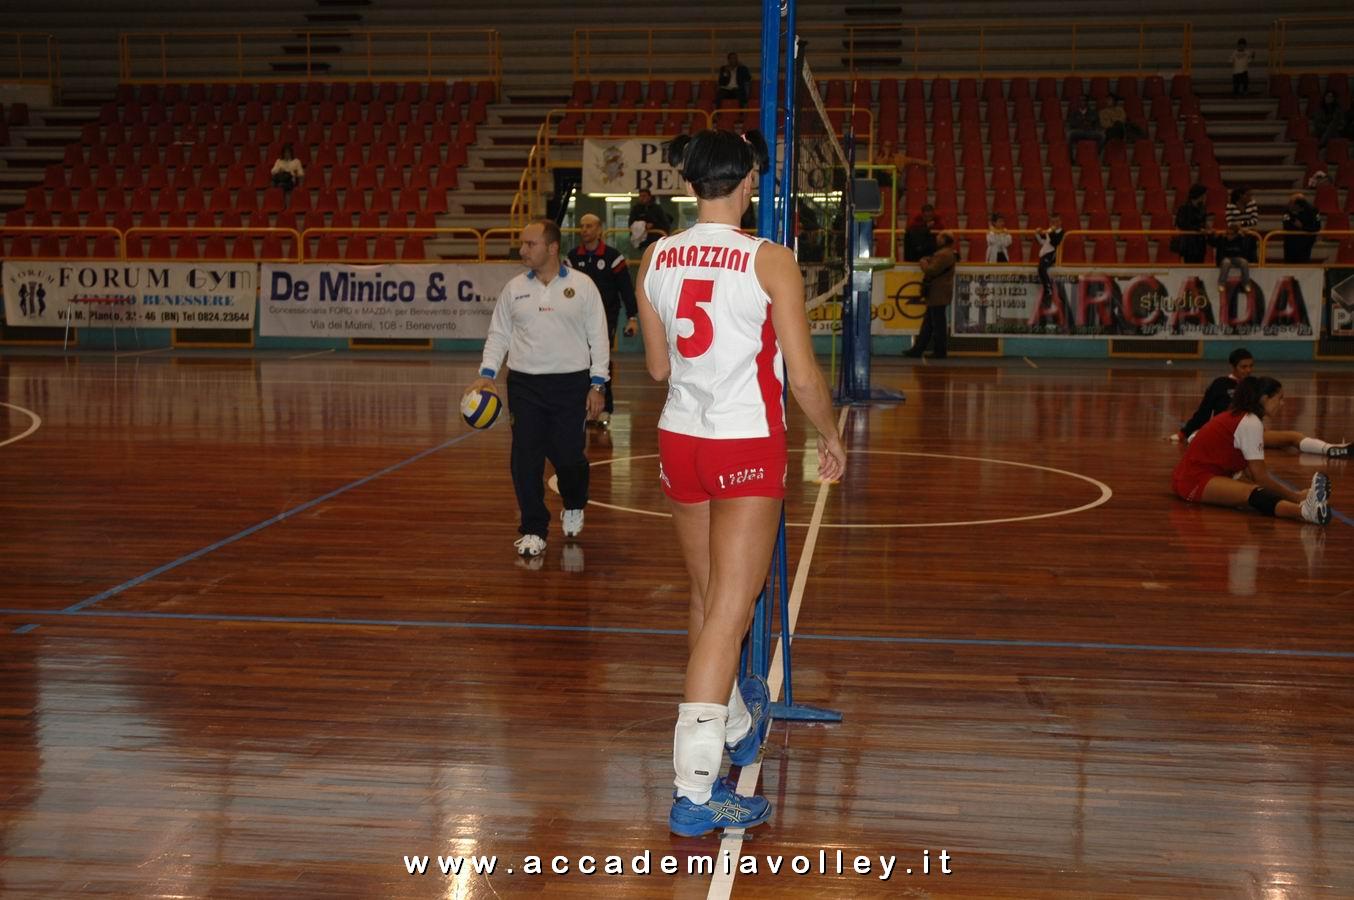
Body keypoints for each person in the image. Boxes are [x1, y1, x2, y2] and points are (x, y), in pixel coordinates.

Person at [634, 129, 846, 836]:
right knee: (732, 607)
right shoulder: (770, 259)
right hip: (744, 442)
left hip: (679, 440)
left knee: (707, 597)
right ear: (748, 180)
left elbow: (658, 370)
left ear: (693, 183)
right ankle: (696, 793)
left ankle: (729, 721)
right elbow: (805, 376)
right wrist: (833, 434)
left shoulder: (655, 256)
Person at [466, 219, 610, 559]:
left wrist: (598, 383)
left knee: (569, 457)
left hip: (570, 384)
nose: (523, 250)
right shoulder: (515, 288)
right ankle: (533, 528)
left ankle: (574, 503)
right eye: (522, 244)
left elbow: (598, 337)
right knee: (525, 458)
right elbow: (499, 334)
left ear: (552, 247)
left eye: (530, 244)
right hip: (525, 384)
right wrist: (486, 374)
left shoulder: (583, 286)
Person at [1172, 376, 1331, 525]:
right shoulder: (1250, 422)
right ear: (1264, 399)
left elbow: (1250, 472)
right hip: (1193, 480)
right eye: (1279, 398)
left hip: (1201, 476)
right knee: (1254, 494)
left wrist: (1297, 495)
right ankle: (1304, 510)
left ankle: (1307, 506)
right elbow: (1260, 476)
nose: (1282, 404)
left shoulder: (1244, 417)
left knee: (1255, 491)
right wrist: (1295, 496)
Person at [1172, 349, 1351, 457]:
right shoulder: (1220, 384)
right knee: (1293, 437)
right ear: (1233, 366)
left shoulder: (1256, 385)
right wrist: (1183, 433)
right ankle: (1329, 449)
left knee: (1288, 444)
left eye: (1251, 366)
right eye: (1244, 366)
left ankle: (1331, 449)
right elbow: (1203, 412)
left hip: (1251, 433)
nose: (1248, 370)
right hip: (1230, 433)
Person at [567, 213, 638, 428]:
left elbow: (626, 290)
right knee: (581, 362)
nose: (584, 230)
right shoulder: (571, 258)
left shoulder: (613, 258)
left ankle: (605, 407)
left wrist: (632, 318)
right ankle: (585, 408)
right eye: (582, 226)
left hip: (606, 319)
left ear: (599, 230)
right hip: (577, 321)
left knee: (600, 361)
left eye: (589, 226)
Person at [906, 230, 958, 359]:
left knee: (936, 324)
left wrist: (923, 263)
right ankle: (919, 349)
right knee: (930, 323)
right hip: (939, 292)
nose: (937, 240)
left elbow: (932, 270)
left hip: (937, 292)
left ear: (944, 240)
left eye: (939, 238)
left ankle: (938, 351)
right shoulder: (947, 253)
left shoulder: (943, 254)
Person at [1210, 222, 1251, 299]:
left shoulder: (1240, 239)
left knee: (1244, 262)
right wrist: (1211, 234)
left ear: (1236, 234)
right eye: (1228, 233)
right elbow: (1212, 243)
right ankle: (1221, 284)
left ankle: (1246, 283)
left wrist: (1247, 235)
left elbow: (1248, 247)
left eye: (1231, 234)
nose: (1229, 236)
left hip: (1236, 258)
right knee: (1226, 262)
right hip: (1224, 259)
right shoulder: (1222, 238)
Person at [1281, 193, 1323, 264]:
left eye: (1291, 203)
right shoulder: (1287, 211)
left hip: (1305, 245)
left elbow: (1317, 227)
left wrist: (1303, 227)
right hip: (1290, 245)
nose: (1289, 204)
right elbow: (1286, 226)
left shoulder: (1313, 210)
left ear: (1298, 205)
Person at [1174, 184, 1209, 264]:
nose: (1205, 196)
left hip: (1200, 243)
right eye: (1204, 194)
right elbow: (1182, 224)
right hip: (1188, 243)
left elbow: (1203, 222)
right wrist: (1198, 229)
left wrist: (1207, 229)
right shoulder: (1184, 208)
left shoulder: (1202, 208)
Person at [1034, 212, 1064, 301]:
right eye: (1053, 222)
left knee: (1041, 268)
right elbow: (1042, 242)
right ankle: (1048, 289)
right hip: (1045, 253)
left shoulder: (1062, 232)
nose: (1055, 224)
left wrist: (1050, 232)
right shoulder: (1049, 231)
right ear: (1050, 223)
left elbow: (1055, 242)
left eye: (1057, 221)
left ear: (1061, 222)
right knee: (1041, 268)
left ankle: (1048, 289)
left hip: (1053, 254)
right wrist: (1037, 233)